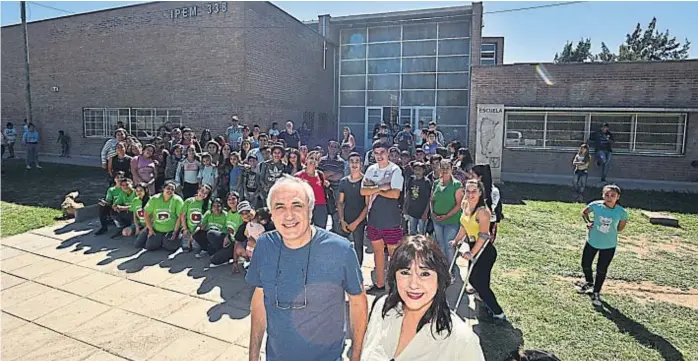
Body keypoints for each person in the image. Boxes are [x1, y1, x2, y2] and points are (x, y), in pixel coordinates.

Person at [245, 175, 368, 361]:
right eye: (280, 207)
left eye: (297, 205)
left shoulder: (340, 250)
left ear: (310, 210)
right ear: (271, 213)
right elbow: (260, 298)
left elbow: (358, 302)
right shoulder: (263, 245)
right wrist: (253, 355)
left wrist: (356, 356)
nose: (288, 215)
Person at [361, 235, 486, 361]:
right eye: (405, 273)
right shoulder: (382, 308)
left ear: (440, 280)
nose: (413, 284)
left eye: (425, 274)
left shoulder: (462, 341)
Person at [451, 179, 506, 321]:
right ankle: (487, 303)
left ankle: (498, 313)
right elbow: (464, 226)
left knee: (480, 283)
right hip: (473, 247)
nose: (470, 194)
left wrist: (472, 253)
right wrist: (457, 240)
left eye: (474, 191)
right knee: (474, 280)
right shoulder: (465, 205)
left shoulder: (483, 212)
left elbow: (484, 235)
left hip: (484, 251)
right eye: (468, 191)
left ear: (480, 192)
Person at [361, 139, 405, 294]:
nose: (379, 156)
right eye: (376, 153)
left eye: (382, 152)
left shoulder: (395, 170)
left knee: (394, 255)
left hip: (391, 219)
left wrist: (374, 188)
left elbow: (395, 194)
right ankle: (379, 283)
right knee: (378, 253)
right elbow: (363, 191)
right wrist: (382, 187)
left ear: (388, 153)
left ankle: (396, 288)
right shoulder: (370, 170)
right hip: (374, 218)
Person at [577, 184, 628, 306]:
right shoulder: (596, 205)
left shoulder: (621, 212)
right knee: (585, 264)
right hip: (592, 241)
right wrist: (588, 222)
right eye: (607, 195)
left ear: (618, 197)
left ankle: (596, 292)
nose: (609, 197)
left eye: (613, 195)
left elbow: (620, 228)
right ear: (602, 195)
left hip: (609, 245)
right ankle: (589, 282)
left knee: (601, 269)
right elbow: (584, 213)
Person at [431, 159, 464, 276]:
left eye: (447, 168)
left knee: (449, 245)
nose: (444, 170)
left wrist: (446, 216)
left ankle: (451, 271)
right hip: (437, 221)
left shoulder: (457, 185)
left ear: (451, 169)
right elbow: (432, 200)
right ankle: (443, 267)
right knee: (440, 245)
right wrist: (433, 213)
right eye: (442, 167)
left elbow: (458, 205)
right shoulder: (436, 183)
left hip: (452, 221)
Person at [337, 152, 369, 266]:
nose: (354, 164)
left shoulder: (366, 181)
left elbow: (367, 205)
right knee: (340, 246)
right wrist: (342, 220)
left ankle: (357, 274)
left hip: (359, 221)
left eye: (357, 161)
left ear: (361, 164)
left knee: (358, 248)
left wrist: (356, 223)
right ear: (348, 164)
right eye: (352, 162)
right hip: (345, 219)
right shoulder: (344, 181)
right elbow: (340, 202)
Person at [138, 180, 184, 251]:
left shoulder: (177, 200)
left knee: (171, 248)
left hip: (171, 230)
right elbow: (146, 213)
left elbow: (180, 217)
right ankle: (154, 237)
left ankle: (169, 239)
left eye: (172, 189)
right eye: (168, 188)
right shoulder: (155, 198)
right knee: (149, 247)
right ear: (163, 189)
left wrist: (175, 232)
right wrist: (150, 229)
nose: (170, 191)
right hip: (157, 229)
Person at [295, 151, 331, 229]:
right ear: (306, 160)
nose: (313, 161)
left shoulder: (320, 174)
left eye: (316, 159)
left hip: (320, 206)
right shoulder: (298, 176)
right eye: (311, 158)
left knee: (320, 230)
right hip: (305, 206)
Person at [178, 185, 212, 252]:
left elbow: (205, 220)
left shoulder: (208, 203)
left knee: (196, 248)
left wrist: (194, 234)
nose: (203, 194)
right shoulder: (189, 201)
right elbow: (183, 215)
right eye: (202, 191)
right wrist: (185, 228)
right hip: (188, 228)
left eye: (206, 193)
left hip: (199, 230)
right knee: (185, 248)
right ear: (198, 190)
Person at [404, 162, 432, 236]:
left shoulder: (426, 182)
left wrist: (426, 213)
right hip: (412, 211)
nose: (417, 172)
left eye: (420, 170)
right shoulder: (411, 179)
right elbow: (408, 194)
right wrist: (405, 207)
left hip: (422, 212)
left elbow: (429, 198)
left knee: (421, 234)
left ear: (423, 171)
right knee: (412, 233)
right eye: (415, 169)